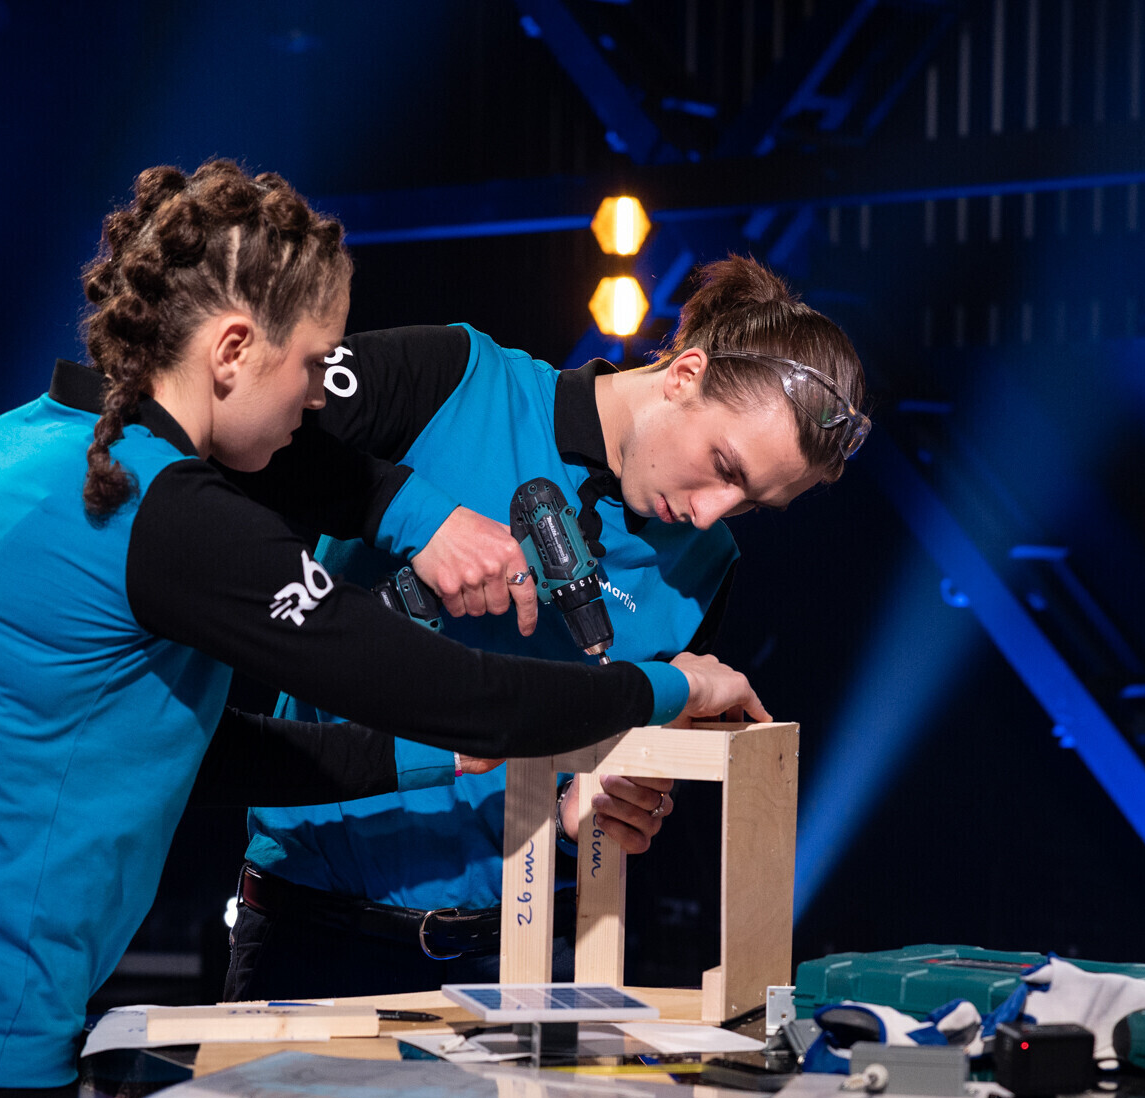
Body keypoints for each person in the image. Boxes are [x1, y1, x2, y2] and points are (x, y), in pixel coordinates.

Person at [0, 160, 765, 1098]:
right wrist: (669, 684)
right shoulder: (172, 518)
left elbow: (199, 756)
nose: (317, 403)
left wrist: (446, 763)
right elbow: (458, 692)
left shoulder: (21, 447)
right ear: (234, 349)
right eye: (311, 365)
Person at [225, 255, 868, 1002]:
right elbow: (233, 432)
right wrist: (416, 517)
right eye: (724, 465)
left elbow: (605, 764)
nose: (710, 513)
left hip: (517, 958)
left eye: (752, 503)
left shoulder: (707, 564)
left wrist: (588, 812)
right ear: (686, 373)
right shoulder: (459, 380)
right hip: (311, 929)